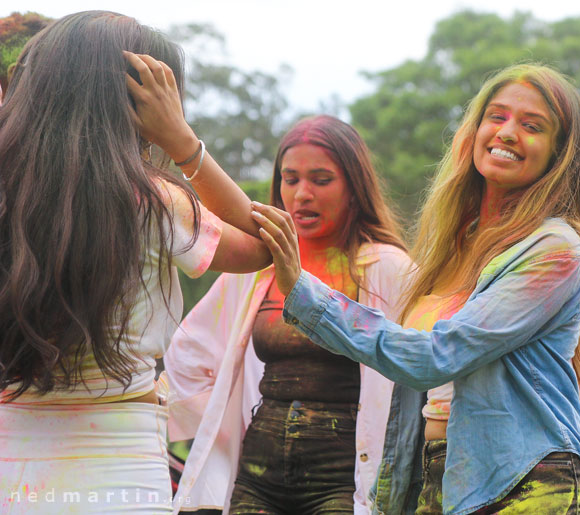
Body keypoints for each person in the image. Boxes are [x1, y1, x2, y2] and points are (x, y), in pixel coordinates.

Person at [252, 63, 580, 514]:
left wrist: (303, 291)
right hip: (443, 481)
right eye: (496, 117)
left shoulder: (554, 250)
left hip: (531, 486)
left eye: (532, 126)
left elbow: (432, 357)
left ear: (560, 155)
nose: (507, 133)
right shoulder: (454, 247)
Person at [0, 11, 271, 513]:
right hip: (120, 463)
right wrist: (183, 143)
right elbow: (262, 243)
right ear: (138, 107)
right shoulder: (153, 202)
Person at [163, 115, 412, 514]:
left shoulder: (386, 268)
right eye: (290, 179)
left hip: (344, 481)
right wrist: (214, 428)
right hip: (257, 475)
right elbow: (188, 354)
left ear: (354, 188)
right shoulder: (258, 266)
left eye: (321, 179)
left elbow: (420, 371)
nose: (302, 194)